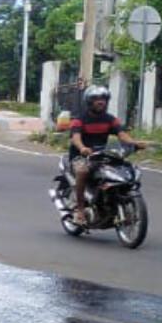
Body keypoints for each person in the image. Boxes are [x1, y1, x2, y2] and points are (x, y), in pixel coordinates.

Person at [65, 84, 143, 225]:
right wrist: (82, 148)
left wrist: (134, 143)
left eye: (103, 99)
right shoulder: (79, 119)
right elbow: (75, 137)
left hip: (102, 156)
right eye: (96, 99)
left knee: (127, 169)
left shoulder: (110, 119)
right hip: (81, 157)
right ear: (89, 101)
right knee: (82, 171)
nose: (101, 101)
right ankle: (80, 210)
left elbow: (122, 135)